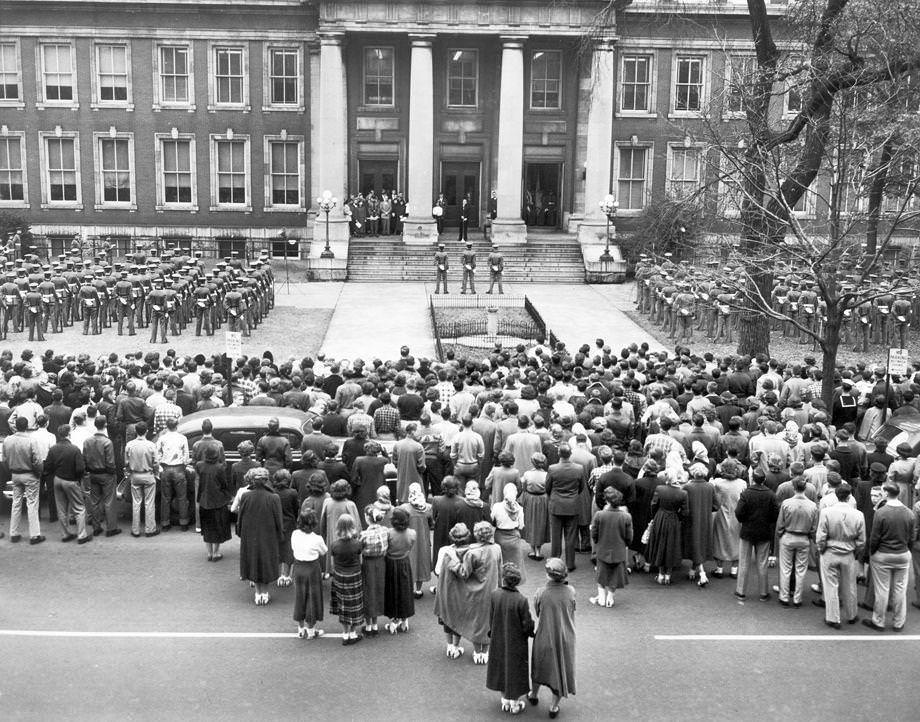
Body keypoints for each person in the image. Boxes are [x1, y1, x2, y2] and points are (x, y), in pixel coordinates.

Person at [863, 481, 916, 632]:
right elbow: (912, 537)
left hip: (883, 555)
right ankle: (899, 622)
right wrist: (907, 551)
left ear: (886, 493)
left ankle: (878, 621)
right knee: (900, 589)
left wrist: (872, 552)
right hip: (902, 554)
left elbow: (875, 537)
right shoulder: (909, 513)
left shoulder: (881, 513)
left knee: (882, 589)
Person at [529, 558, 576, 718]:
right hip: (565, 637)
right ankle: (554, 707)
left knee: (539, 667)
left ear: (548, 575)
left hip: (544, 635)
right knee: (561, 670)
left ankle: (533, 695)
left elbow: (537, 612)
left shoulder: (541, 592)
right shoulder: (571, 591)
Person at [486, 563, 535, 715]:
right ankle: (514, 702)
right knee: (515, 669)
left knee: (501, 666)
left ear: (503, 578)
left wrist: (492, 632)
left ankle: (505, 700)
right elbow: (527, 624)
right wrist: (530, 631)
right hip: (516, 641)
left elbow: (491, 618)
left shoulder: (495, 595)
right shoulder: (521, 600)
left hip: (498, 638)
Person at [451, 520, 503, 665]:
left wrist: (454, 565)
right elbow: (500, 571)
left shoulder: (472, 553)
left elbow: (464, 573)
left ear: (476, 535)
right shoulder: (497, 548)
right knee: (488, 622)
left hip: (474, 592)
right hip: (492, 590)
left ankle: (476, 651)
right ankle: (484, 653)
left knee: (475, 621)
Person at [815, 483, 865, 629]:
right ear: (849, 496)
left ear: (836, 495)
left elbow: (821, 535)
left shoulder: (826, 513)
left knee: (830, 585)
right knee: (850, 585)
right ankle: (851, 615)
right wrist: (855, 552)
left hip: (830, 552)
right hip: (848, 552)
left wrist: (821, 549)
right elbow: (861, 540)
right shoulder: (858, 514)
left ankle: (833, 618)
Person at [237, 467, 284, 606]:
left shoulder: (246, 496)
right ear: (266, 480)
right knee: (266, 562)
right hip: (268, 535)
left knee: (253, 561)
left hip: (250, 535)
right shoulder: (274, 497)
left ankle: (258, 593)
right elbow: (278, 519)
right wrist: (280, 535)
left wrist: (241, 533)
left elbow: (241, 516)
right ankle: (265, 592)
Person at [734, 470, 780, 601]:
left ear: (753, 479)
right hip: (764, 531)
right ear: (764, 480)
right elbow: (775, 514)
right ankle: (763, 593)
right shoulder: (771, 494)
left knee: (744, 562)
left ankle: (741, 591)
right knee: (762, 563)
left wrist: (744, 521)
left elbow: (738, 512)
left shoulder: (746, 493)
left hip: (747, 531)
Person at [775, 477, 819, 607]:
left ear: (794, 488)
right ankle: (797, 598)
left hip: (788, 536)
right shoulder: (813, 506)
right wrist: (810, 537)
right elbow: (814, 527)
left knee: (785, 568)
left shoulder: (786, 503)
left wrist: (780, 535)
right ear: (805, 488)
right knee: (801, 570)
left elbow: (780, 524)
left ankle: (784, 596)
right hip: (804, 538)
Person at [44, 423, 90, 544]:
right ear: (69, 434)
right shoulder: (75, 449)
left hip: (57, 479)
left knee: (62, 509)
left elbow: (48, 466)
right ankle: (82, 535)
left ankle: (65, 534)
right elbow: (80, 469)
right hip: (71, 481)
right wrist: (78, 479)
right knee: (79, 508)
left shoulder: (53, 448)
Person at [3, 416, 45, 544]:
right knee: (32, 504)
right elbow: (37, 461)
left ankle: (14, 533)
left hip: (15, 474)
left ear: (16, 425)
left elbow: (4, 459)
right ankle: (34, 535)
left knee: (16, 503)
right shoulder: (31, 441)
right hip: (30, 474)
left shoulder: (8, 440)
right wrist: (38, 473)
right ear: (27, 426)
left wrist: (10, 470)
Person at [434, 522, 472, 659]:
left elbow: (437, 570)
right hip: (462, 590)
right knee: (458, 617)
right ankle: (456, 646)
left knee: (446, 615)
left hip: (446, 588)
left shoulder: (444, 550)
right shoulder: (471, 552)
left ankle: (449, 645)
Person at [545, 443, 585, 572]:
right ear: (570, 454)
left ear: (558, 454)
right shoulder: (579, 469)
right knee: (570, 536)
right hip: (572, 505)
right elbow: (581, 487)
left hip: (556, 505)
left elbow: (547, 487)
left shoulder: (552, 468)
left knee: (556, 536)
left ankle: (554, 562)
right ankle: (570, 563)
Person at [590, 487, 632, 607]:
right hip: (619, 550)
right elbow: (629, 537)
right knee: (615, 575)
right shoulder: (626, 517)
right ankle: (610, 598)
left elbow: (594, 533)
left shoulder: (599, 515)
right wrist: (625, 544)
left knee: (601, 573)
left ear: (607, 501)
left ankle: (601, 597)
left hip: (602, 548)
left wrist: (598, 542)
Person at [646, 473, 689, 585]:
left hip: (660, 517)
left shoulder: (660, 489)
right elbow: (685, 512)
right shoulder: (683, 493)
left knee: (660, 543)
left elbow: (653, 505)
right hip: (674, 519)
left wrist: (655, 516)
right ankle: (668, 575)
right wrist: (677, 517)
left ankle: (660, 574)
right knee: (671, 546)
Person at [291, 509, 327, 639]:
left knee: (300, 597)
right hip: (312, 569)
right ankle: (311, 630)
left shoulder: (294, 534)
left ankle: (301, 628)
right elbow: (324, 551)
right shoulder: (317, 539)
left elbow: (293, 548)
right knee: (313, 598)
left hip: (299, 568)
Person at [330, 513, 365, 645]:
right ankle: (353, 632)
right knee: (354, 606)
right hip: (354, 576)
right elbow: (360, 562)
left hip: (339, 577)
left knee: (343, 606)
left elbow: (333, 564)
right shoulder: (357, 544)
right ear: (352, 527)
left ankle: (345, 634)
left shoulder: (334, 545)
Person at [82, 415, 119, 537]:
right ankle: (111, 528)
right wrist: (113, 473)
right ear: (105, 425)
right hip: (106, 474)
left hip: (93, 474)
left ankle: (96, 527)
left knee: (94, 501)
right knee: (109, 501)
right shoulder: (107, 442)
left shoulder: (87, 441)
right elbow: (110, 462)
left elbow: (84, 459)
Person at [383, 507, 417, 633]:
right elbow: (410, 546)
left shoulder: (389, 533)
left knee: (391, 591)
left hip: (390, 563)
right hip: (404, 563)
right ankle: (404, 620)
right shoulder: (412, 533)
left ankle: (393, 620)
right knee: (405, 591)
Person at [711, 460, 746, 579]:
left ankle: (719, 569)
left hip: (722, 513)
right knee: (736, 541)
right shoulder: (742, 483)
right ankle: (734, 570)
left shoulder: (718, 483)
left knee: (720, 539)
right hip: (737, 514)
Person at [196, 444, 231, 562]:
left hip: (204, 500)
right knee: (217, 527)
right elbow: (224, 484)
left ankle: (209, 553)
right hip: (218, 501)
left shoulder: (199, 465)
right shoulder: (220, 468)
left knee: (207, 528)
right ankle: (216, 553)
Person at [320, 479, 361, 577]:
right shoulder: (350, 505)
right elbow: (357, 526)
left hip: (332, 542)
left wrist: (324, 537)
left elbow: (322, 524)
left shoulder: (327, 503)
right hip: (348, 543)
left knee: (335, 571)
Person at [399, 482, 434, 598]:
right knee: (421, 562)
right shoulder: (428, 508)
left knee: (409, 562)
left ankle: (409, 588)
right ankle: (418, 590)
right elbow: (431, 523)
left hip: (409, 540)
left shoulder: (404, 508)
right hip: (423, 540)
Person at [124, 421, 158, 537]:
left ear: (135, 431)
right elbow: (156, 463)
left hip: (135, 475)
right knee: (149, 503)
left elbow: (126, 462)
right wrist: (156, 474)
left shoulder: (129, 445)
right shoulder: (151, 445)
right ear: (146, 431)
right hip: (148, 475)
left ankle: (135, 530)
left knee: (136, 503)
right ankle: (150, 529)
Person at [360, 505, 389, 636]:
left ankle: (368, 625)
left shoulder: (364, 534)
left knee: (368, 592)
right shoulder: (385, 531)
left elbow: (359, 549)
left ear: (367, 518)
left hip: (368, 564)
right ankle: (376, 624)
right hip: (381, 563)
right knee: (378, 590)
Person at [492, 482, 526, 581]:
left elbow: (492, 520)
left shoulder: (496, 506)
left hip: (500, 537)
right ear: (515, 494)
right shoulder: (519, 508)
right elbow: (521, 526)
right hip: (514, 537)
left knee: (501, 561)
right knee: (516, 563)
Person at [273, 469, 300, 586]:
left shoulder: (272, 492)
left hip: (275, 523)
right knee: (289, 549)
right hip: (289, 523)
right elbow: (296, 508)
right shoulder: (292, 493)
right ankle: (286, 575)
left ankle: (279, 575)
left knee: (278, 548)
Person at [521, 452, 550, 560]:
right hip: (543, 499)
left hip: (530, 498)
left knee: (530, 522)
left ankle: (533, 550)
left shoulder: (527, 474)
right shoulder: (547, 475)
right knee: (541, 523)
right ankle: (538, 550)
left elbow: (523, 487)